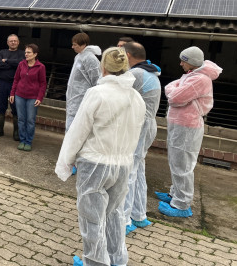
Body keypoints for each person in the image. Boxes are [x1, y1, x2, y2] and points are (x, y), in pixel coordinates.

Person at [55, 47, 146, 266]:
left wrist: (65, 161)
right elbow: (136, 131)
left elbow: (79, 130)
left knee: (92, 218)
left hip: (95, 163)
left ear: (102, 67)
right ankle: (117, 259)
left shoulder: (97, 93)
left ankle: (95, 261)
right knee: (114, 214)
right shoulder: (136, 97)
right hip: (122, 164)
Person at [156, 47, 222, 218]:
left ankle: (182, 204)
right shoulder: (191, 75)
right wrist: (175, 90)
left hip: (187, 125)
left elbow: (175, 97)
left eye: (183, 60)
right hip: (180, 124)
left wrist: (174, 91)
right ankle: (175, 194)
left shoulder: (200, 79)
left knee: (183, 164)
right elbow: (173, 88)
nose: (180, 63)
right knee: (175, 160)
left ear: (191, 62)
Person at [122, 42, 161, 235]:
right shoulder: (150, 72)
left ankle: (124, 219)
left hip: (138, 126)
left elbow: (119, 93)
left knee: (129, 172)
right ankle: (139, 214)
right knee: (138, 170)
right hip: (147, 125)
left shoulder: (136, 74)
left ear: (128, 55)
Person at [66, 33, 101, 174]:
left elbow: (96, 81)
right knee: (70, 132)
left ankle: (78, 163)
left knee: (78, 134)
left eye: (75, 44)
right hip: (73, 100)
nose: (72, 46)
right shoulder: (78, 56)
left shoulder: (91, 59)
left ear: (83, 44)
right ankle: (70, 160)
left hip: (81, 101)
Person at [9, 44, 46, 152]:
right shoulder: (21, 64)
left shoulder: (41, 67)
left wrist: (40, 97)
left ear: (35, 54)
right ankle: (22, 140)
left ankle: (28, 141)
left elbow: (43, 83)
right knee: (21, 119)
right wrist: (12, 94)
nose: (26, 54)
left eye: (29, 52)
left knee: (30, 120)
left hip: (33, 97)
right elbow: (16, 79)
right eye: (25, 52)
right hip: (19, 95)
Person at [0, 34, 24, 140]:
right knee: (1, 107)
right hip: (2, 83)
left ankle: (16, 132)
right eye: (11, 41)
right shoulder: (2, 52)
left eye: (15, 41)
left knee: (15, 107)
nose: (13, 42)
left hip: (15, 84)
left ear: (18, 42)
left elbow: (21, 64)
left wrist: (7, 61)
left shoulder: (22, 54)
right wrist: (12, 64)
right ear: (7, 42)